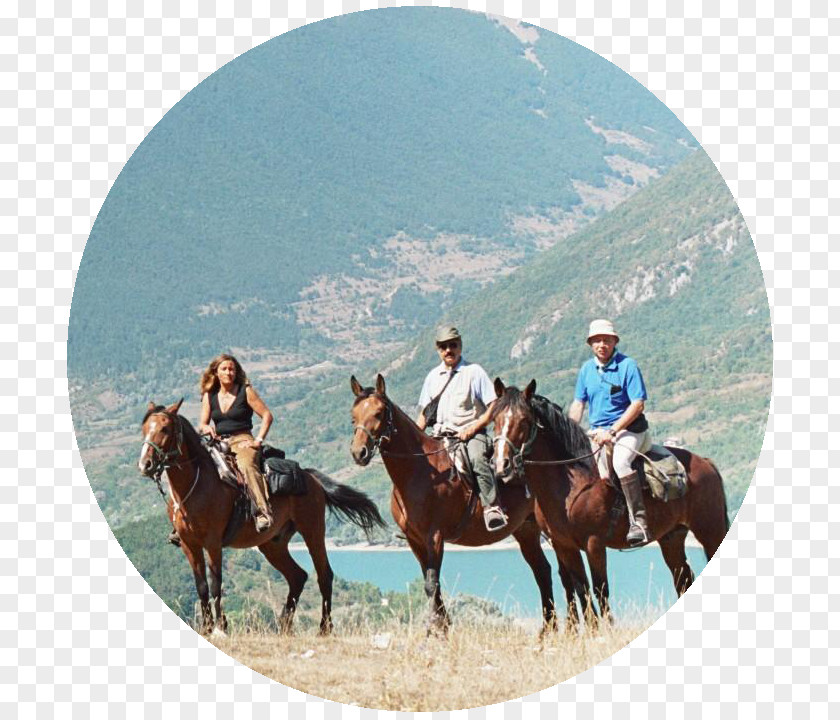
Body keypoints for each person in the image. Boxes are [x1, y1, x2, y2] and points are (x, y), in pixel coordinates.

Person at [568, 319, 651, 545]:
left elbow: (637, 405)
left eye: (606, 340)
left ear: (614, 341)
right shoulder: (586, 370)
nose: (602, 344)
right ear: (590, 344)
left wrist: (613, 431)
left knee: (621, 463)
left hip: (629, 430)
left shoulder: (628, 366)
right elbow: (578, 404)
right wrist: (569, 430)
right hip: (597, 434)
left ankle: (639, 522)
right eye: (597, 340)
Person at [416, 326, 507, 531]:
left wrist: (474, 427)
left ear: (460, 346)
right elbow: (424, 413)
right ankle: (416, 517)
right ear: (438, 350)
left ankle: (492, 507)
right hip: (439, 436)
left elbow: (494, 405)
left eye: (452, 345)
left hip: (470, 435)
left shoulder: (474, 372)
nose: (448, 350)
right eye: (443, 347)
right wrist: (414, 437)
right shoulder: (432, 377)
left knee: (477, 459)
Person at [197, 353, 275, 532]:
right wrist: (206, 428)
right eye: (224, 369)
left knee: (247, 466)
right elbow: (202, 423)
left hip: (243, 440)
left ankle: (263, 513)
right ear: (216, 372)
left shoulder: (245, 391)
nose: (228, 372)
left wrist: (258, 441)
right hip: (218, 442)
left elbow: (267, 416)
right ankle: (184, 521)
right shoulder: (210, 395)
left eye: (232, 369)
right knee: (194, 468)